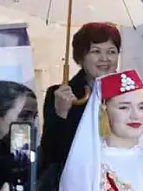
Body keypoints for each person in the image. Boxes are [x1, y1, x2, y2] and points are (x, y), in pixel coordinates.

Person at [41, 23, 121, 171]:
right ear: (80, 57)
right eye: (96, 51)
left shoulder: (133, 93)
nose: (105, 58)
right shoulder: (59, 95)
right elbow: (50, 154)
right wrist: (61, 114)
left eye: (111, 51)